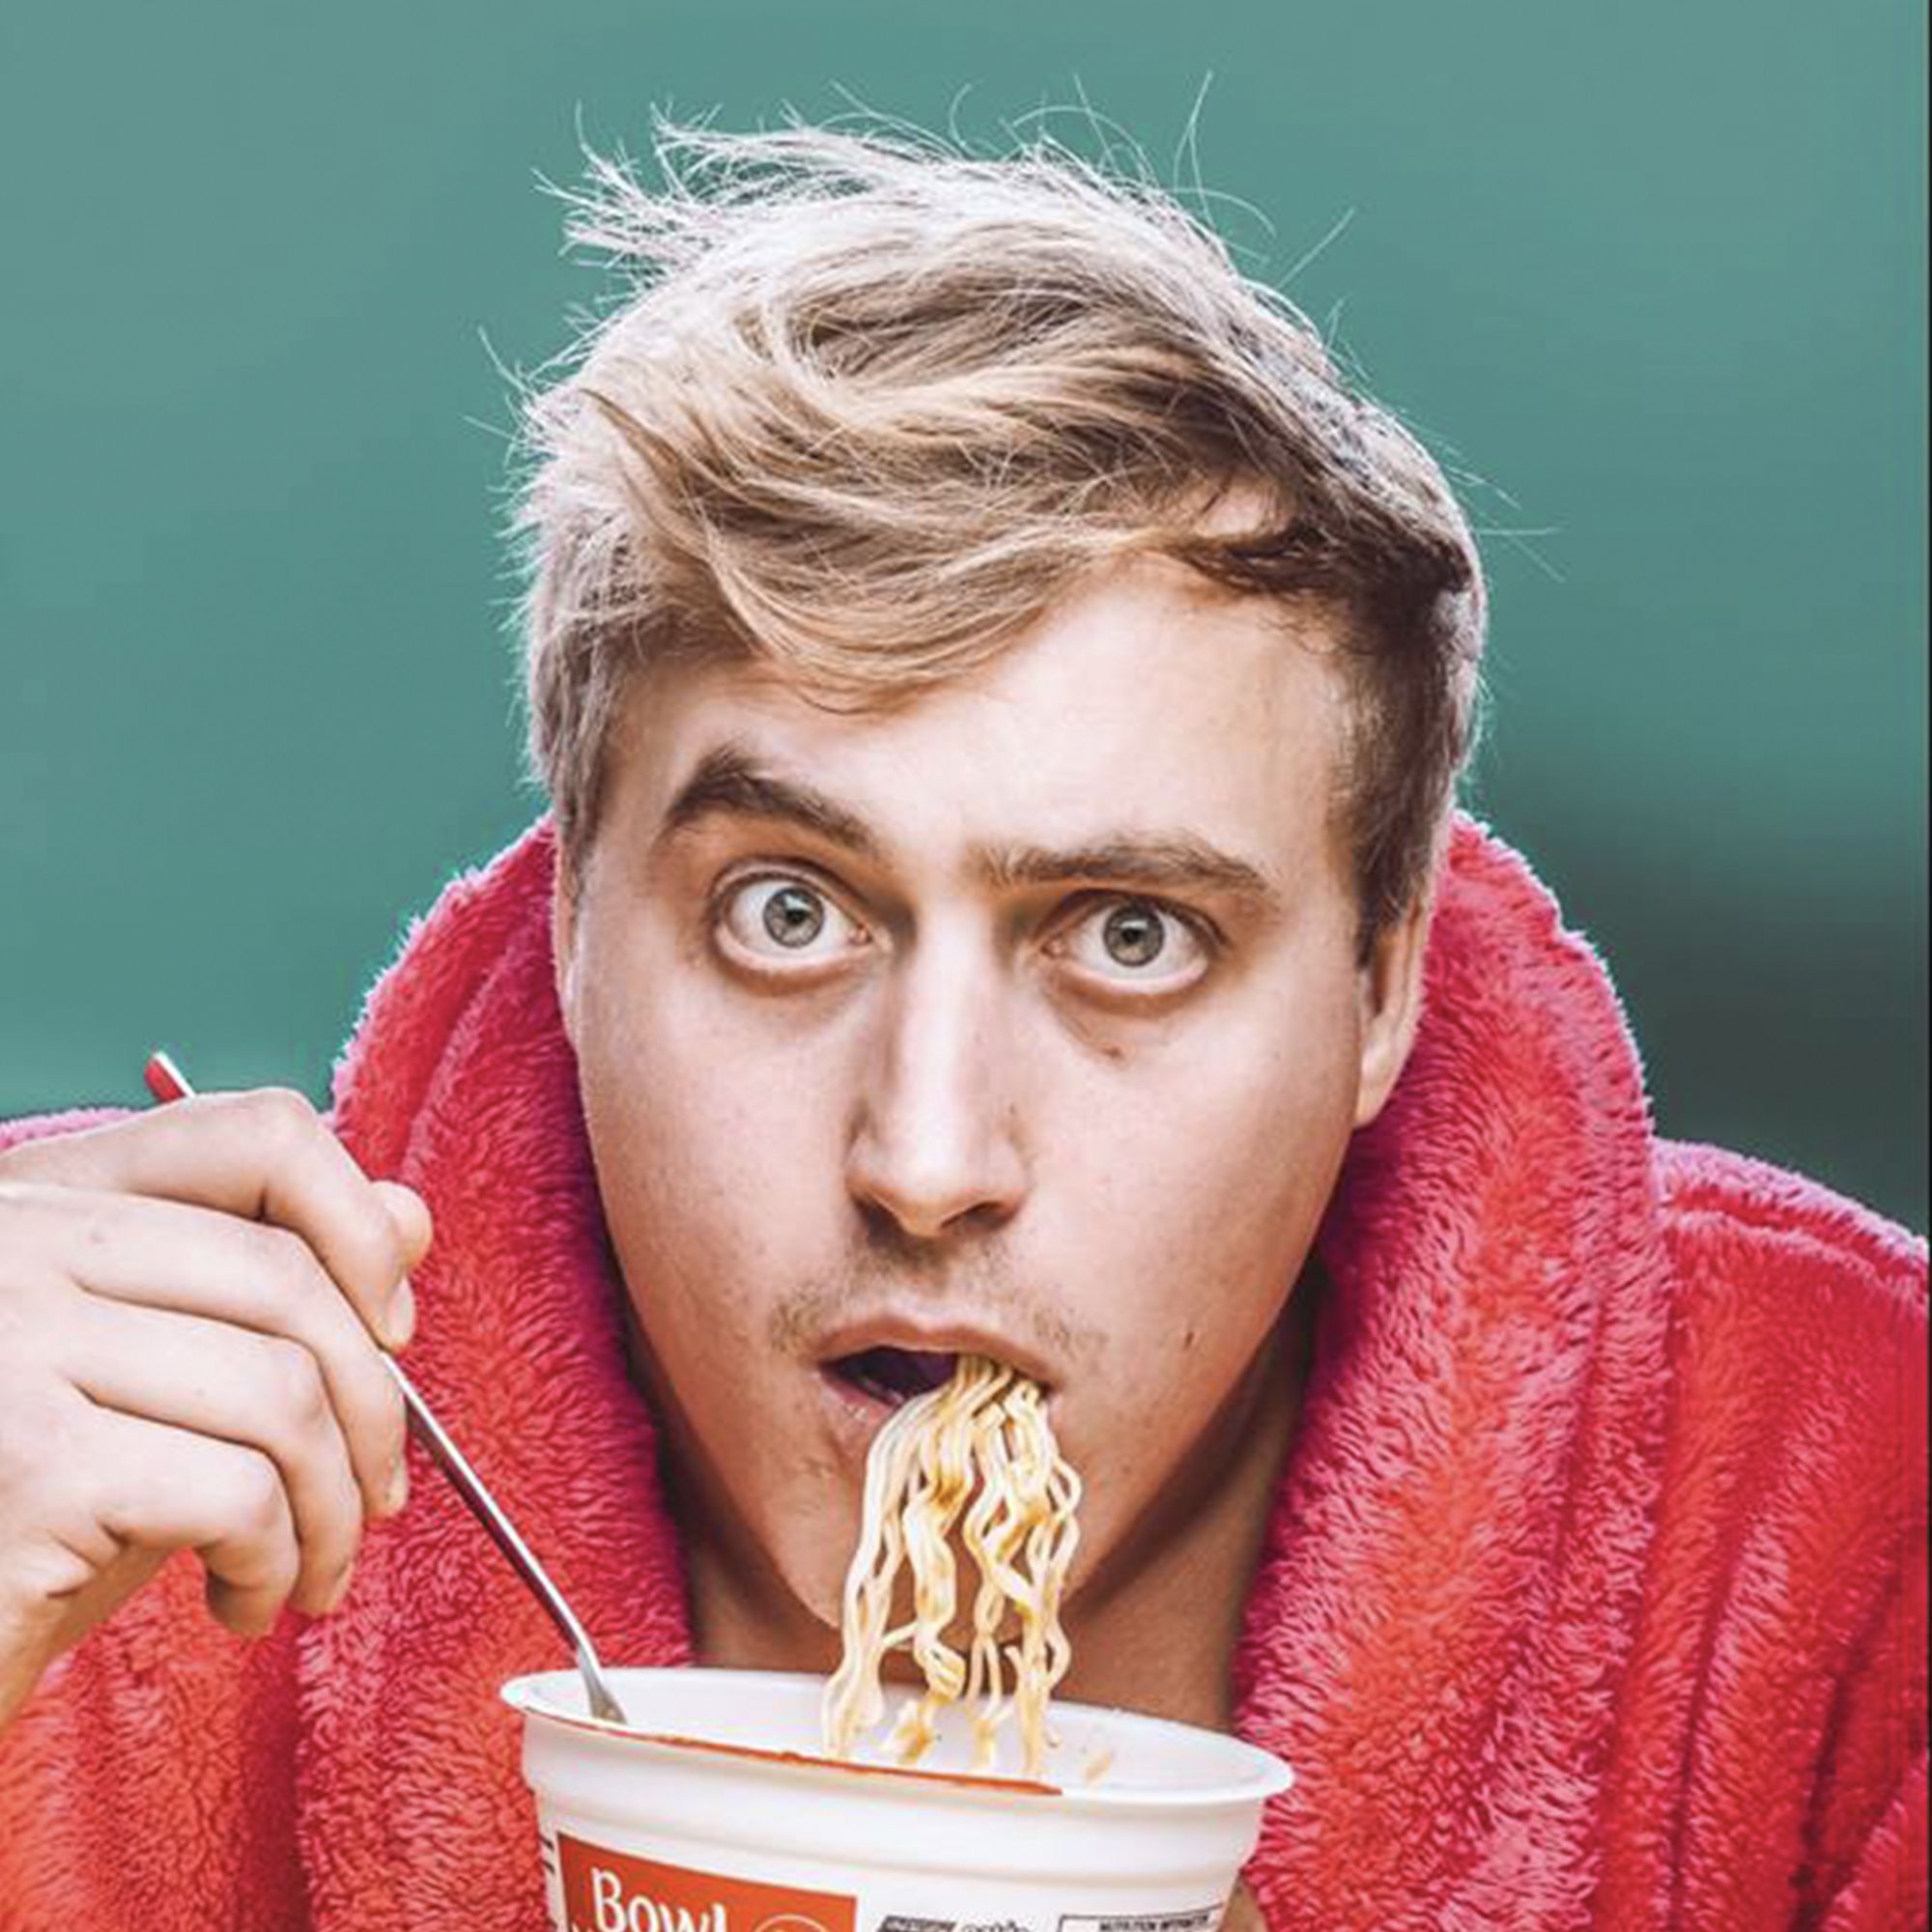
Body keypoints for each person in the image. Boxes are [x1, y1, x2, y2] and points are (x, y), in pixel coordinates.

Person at [0, 123, 1922, 1931]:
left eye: (1134, 936)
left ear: (1379, 987)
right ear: (576, 920)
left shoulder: (1848, 1521)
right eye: (787, 913)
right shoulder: (90, 1475)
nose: (927, 1158)